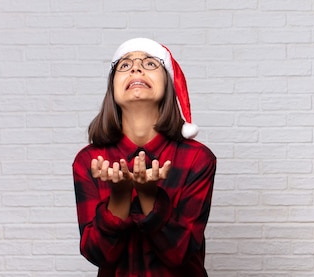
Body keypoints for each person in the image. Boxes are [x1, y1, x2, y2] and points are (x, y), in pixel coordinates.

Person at [72, 38, 216, 276]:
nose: (136, 67)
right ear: (112, 89)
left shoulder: (197, 159)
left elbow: (179, 253)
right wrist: (119, 198)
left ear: (168, 84)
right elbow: (97, 254)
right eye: (124, 65)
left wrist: (149, 196)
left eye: (150, 64)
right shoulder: (89, 161)